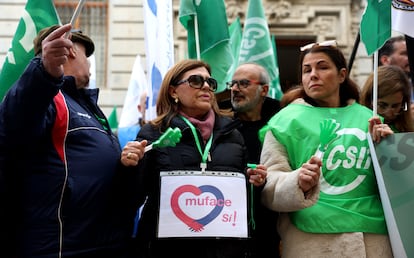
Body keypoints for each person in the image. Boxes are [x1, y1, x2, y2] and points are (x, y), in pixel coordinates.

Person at [0, 24, 131, 257]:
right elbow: (15, 121)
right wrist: (44, 72)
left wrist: (127, 162)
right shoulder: (49, 98)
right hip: (61, 248)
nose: (90, 63)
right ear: (70, 51)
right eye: (86, 55)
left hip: (104, 242)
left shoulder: (87, 106)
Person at [258, 40, 394, 257]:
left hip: (373, 239)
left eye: (322, 67)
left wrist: (388, 149)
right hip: (310, 240)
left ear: (341, 75)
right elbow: (269, 184)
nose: (313, 74)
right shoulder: (284, 122)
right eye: (306, 70)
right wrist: (297, 182)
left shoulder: (371, 120)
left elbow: (396, 188)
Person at [120, 59, 267, 258]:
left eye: (210, 82)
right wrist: (130, 167)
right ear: (173, 91)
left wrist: (254, 182)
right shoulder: (154, 133)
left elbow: (240, 200)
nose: (206, 86)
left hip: (225, 250)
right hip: (168, 250)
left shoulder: (233, 134)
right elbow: (130, 198)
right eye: (196, 81)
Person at [227, 62, 281, 258]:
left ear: (264, 89)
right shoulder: (220, 123)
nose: (235, 89)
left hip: (273, 224)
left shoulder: (283, 121)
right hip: (229, 222)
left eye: (243, 83)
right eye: (232, 84)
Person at [361, 65, 414, 132]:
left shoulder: (408, 129)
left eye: (395, 106)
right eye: (382, 105)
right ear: (368, 100)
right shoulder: (355, 128)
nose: (389, 113)